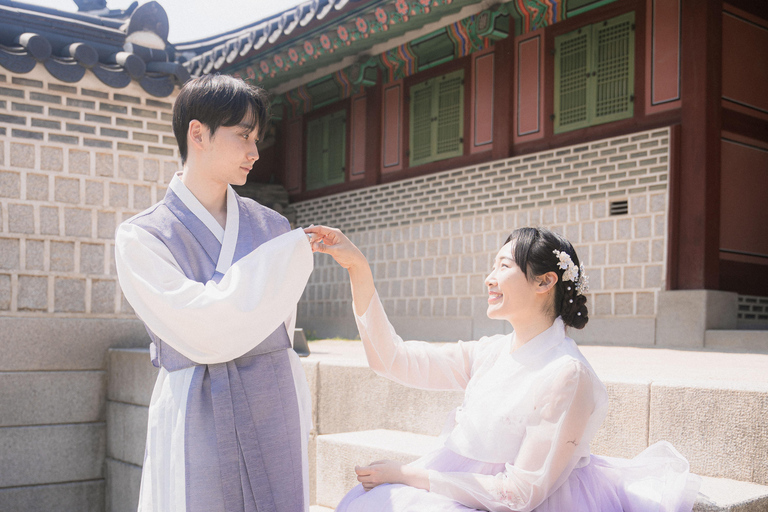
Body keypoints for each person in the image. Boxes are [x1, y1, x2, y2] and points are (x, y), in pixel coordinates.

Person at [304, 225, 701, 512]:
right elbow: (392, 359)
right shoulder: (490, 352)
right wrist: (358, 268)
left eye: (503, 266)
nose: (489, 279)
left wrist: (406, 475)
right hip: (462, 483)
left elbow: (519, 496)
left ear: (545, 281)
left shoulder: (567, 374)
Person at [115, 74, 314, 512]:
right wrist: (275, 268)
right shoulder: (142, 237)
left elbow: (275, 326)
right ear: (198, 133)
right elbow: (202, 329)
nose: (255, 153)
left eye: (257, 139)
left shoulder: (274, 228)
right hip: (193, 403)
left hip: (272, 396)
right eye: (243, 135)